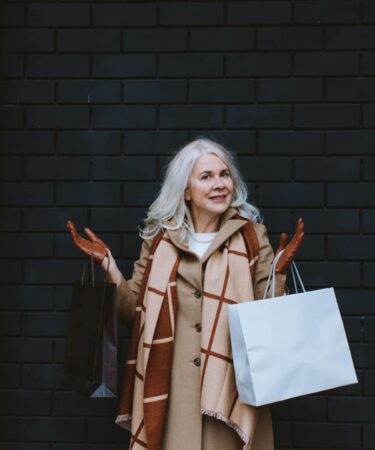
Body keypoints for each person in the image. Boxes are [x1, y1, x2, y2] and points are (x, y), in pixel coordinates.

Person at [67, 137, 304, 450]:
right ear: (186, 190)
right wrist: (109, 265)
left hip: (229, 390)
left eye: (224, 174)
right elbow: (134, 312)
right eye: (206, 177)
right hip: (170, 391)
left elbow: (266, 316)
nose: (219, 184)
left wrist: (280, 272)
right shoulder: (159, 239)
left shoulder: (250, 235)